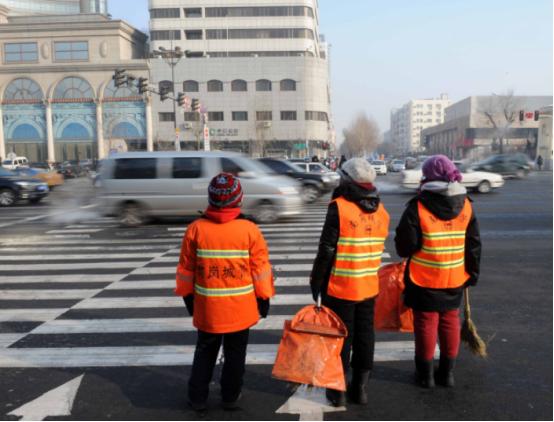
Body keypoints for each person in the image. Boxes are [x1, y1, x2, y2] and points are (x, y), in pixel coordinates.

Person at [175, 173, 275, 411]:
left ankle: (197, 398)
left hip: (208, 309)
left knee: (205, 353)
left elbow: (186, 270)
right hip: (241, 310)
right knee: (235, 356)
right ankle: (230, 396)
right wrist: (264, 299)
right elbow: (260, 270)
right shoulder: (250, 230)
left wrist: (188, 298)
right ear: (239, 199)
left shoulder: (195, 230)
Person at [395, 155, 481, 389]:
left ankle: (425, 376)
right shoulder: (466, 205)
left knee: (426, 322)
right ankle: (447, 374)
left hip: (423, 278)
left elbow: (405, 247)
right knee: (450, 320)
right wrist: (472, 273)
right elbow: (473, 244)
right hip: (454, 277)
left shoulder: (418, 206)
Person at [310, 158, 390, 407]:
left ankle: (338, 390)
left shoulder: (339, 207)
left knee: (341, 338)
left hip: (341, 286)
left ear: (346, 179)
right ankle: (360, 389)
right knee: (365, 336)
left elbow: (326, 249)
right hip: (368, 285)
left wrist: (316, 281)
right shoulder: (381, 210)